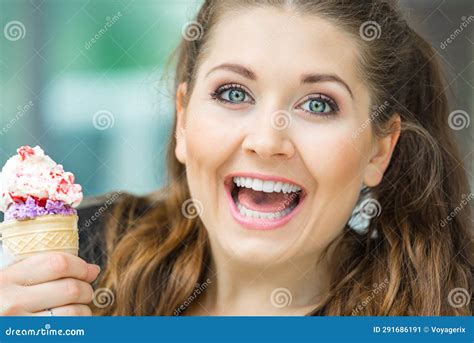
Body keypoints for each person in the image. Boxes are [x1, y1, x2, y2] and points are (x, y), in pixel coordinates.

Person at [1, 0, 472, 316]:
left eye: (318, 104)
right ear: (183, 120)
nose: (268, 141)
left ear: (379, 148)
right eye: (233, 92)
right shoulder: (81, 254)